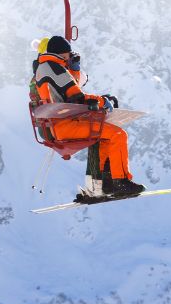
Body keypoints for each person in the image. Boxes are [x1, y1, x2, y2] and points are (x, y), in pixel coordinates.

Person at [31, 35, 145, 200]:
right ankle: (121, 182)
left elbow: (69, 88)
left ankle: (102, 184)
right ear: (63, 54)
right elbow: (77, 97)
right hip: (65, 124)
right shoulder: (53, 68)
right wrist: (102, 101)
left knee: (105, 137)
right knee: (118, 134)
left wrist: (74, 70)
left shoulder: (46, 67)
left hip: (59, 122)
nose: (70, 57)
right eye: (69, 55)